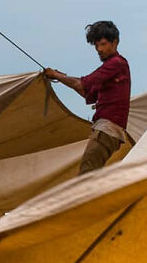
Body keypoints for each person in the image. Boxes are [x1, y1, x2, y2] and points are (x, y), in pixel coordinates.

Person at [44, 20, 131, 175]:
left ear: (115, 42)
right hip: (106, 128)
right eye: (96, 45)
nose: (99, 49)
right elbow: (86, 92)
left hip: (108, 128)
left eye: (103, 44)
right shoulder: (110, 70)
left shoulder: (117, 63)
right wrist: (62, 77)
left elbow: (83, 84)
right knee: (91, 172)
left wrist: (57, 75)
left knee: (87, 173)